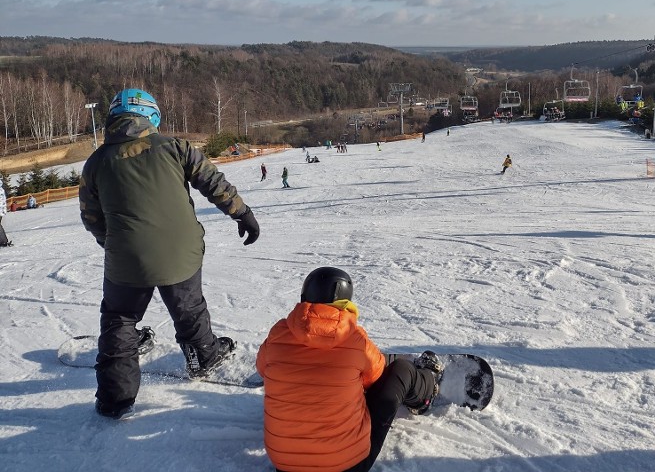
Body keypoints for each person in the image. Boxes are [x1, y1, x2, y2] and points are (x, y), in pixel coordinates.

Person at [78, 88, 260, 420]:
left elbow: (91, 217)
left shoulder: (96, 163)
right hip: (180, 249)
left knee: (120, 317)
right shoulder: (175, 147)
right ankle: (203, 354)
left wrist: (116, 243)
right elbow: (211, 180)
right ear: (152, 116)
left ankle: (115, 398)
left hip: (126, 257)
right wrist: (241, 213)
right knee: (188, 306)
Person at [256, 267, 443, 472]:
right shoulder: (355, 338)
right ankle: (426, 389)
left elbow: (262, 369)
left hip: (285, 466)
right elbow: (377, 377)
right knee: (401, 370)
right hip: (349, 465)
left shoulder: (277, 334)